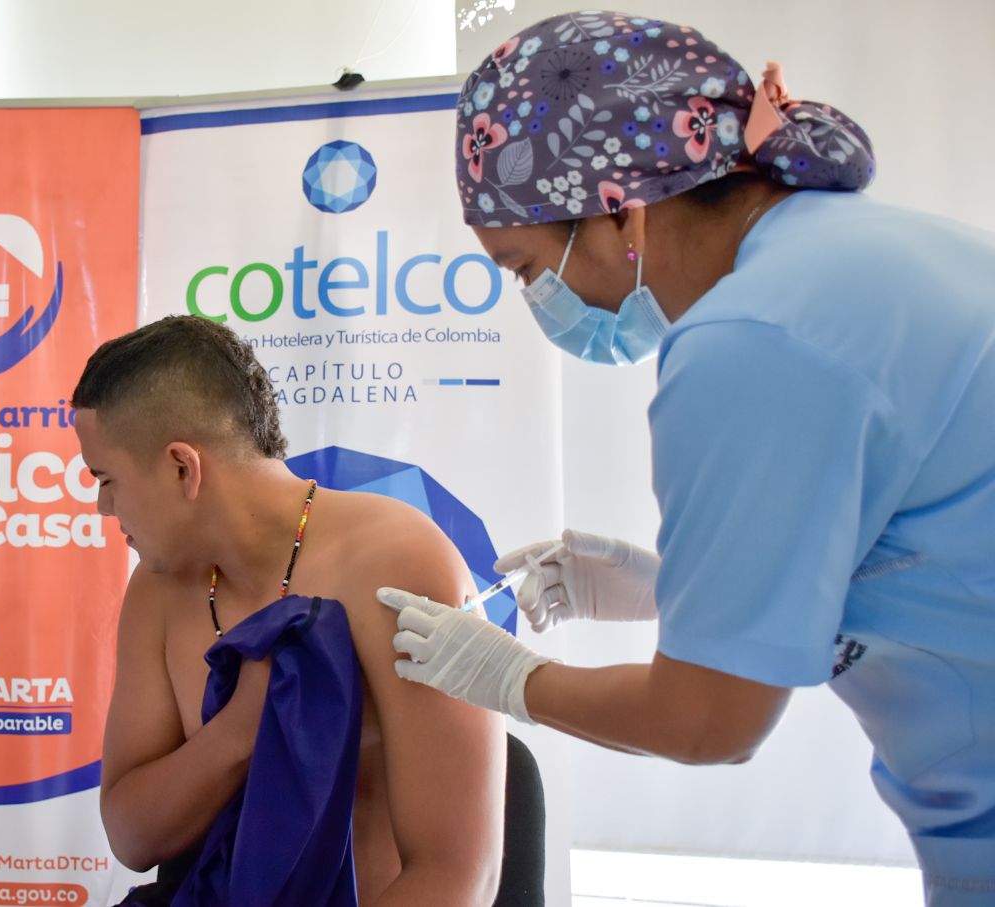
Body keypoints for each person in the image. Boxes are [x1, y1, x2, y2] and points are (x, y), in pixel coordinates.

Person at [379, 10, 995, 906]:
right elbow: (938, 548)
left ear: (617, 211)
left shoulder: (749, 338)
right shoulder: (877, 253)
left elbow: (710, 721)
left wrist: (509, 678)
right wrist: (673, 589)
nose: (538, 301)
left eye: (524, 269)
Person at [71, 315, 505, 905]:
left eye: (106, 478)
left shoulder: (398, 564)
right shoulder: (158, 588)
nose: (102, 506)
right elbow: (131, 837)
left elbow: (458, 877)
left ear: (182, 467)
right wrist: (239, 731)